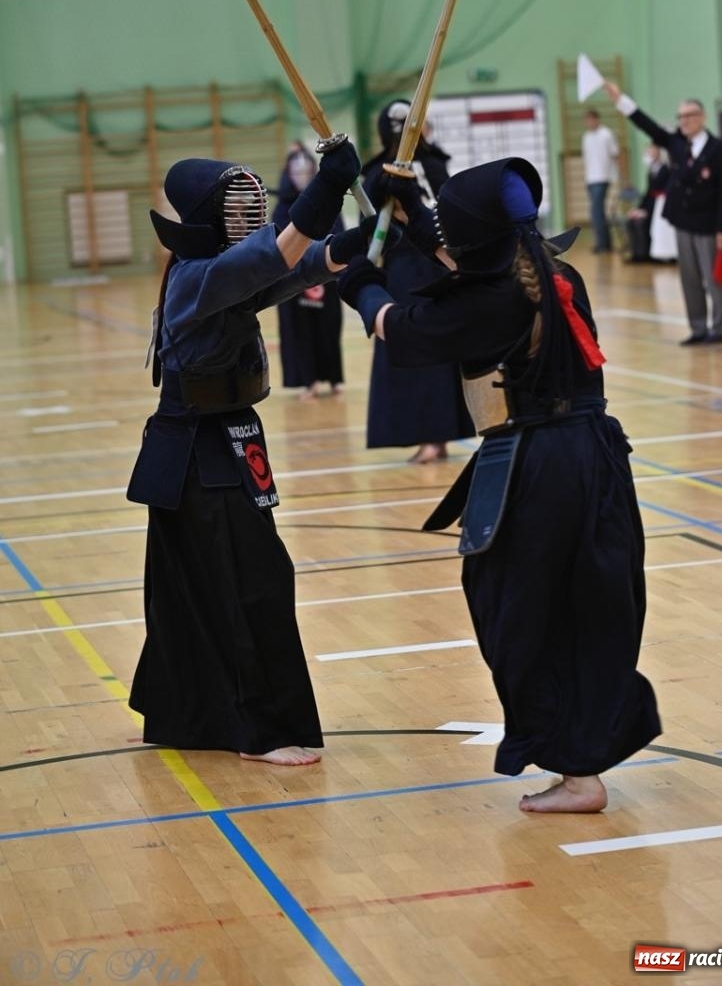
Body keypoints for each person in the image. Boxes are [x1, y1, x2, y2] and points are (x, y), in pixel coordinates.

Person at [337, 158, 661, 812]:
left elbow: (404, 330)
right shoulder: (550, 273)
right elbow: (469, 270)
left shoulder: (493, 301)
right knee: (586, 607)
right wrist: (413, 218)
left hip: (537, 467)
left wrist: (361, 284)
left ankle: (576, 770)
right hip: (595, 457)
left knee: (516, 610)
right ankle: (582, 766)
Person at [127, 141, 369, 766]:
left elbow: (298, 267)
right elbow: (268, 257)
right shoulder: (198, 279)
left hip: (221, 445)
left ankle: (193, 715)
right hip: (192, 455)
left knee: (202, 589)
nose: (249, 215)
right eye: (235, 208)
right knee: (248, 584)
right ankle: (259, 729)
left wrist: (365, 231)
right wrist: (325, 191)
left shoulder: (220, 274)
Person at [361, 99, 473, 463]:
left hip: (431, 266)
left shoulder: (434, 165)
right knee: (407, 345)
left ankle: (436, 436)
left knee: (434, 350)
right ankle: (424, 434)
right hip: (402, 269)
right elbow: (370, 215)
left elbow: (449, 209)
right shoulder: (378, 172)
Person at [603, 82, 722, 345]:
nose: (683, 121)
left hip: (709, 224)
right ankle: (698, 328)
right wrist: (621, 101)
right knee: (689, 278)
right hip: (683, 221)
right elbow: (648, 125)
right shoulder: (676, 143)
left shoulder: (721, 149)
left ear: (702, 117)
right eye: (680, 116)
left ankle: (717, 329)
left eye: (689, 115)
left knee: (714, 279)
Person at [273, 145, 345, 399]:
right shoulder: (282, 208)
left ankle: (334, 377)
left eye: (306, 171)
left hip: (327, 276)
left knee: (329, 328)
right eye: (297, 171)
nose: (302, 176)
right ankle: (309, 381)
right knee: (300, 330)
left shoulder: (327, 203)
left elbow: (340, 236)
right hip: (293, 281)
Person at [580, 108, 619, 253]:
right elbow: (586, 159)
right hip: (590, 179)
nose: (588, 122)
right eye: (586, 120)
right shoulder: (586, 137)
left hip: (603, 177)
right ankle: (607, 244)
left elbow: (615, 155)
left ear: (597, 119)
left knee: (596, 212)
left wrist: (620, 176)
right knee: (599, 212)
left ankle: (601, 244)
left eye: (590, 119)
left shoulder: (606, 134)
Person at [625, 144, 671, 263]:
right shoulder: (651, 170)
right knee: (631, 221)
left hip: (659, 208)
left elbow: (659, 194)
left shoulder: (665, 169)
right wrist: (638, 209)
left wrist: (645, 211)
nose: (648, 155)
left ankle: (644, 254)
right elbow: (648, 193)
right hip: (650, 206)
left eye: (650, 152)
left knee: (640, 223)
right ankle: (636, 253)